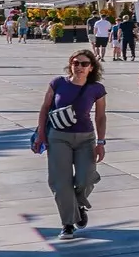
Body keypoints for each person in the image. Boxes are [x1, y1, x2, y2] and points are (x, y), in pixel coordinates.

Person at [33, 48, 107, 239]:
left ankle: (78, 204)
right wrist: (41, 134)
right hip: (58, 137)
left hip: (86, 138)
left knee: (86, 177)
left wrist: (101, 141)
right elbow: (45, 108)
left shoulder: (96, 89)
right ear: (70, 64)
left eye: (84, 64)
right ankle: (68, 223)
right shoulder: (58, 83)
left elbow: (100, 117)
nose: (79, 67)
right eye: (76, 63)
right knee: (60, 181)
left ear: (91, 68)